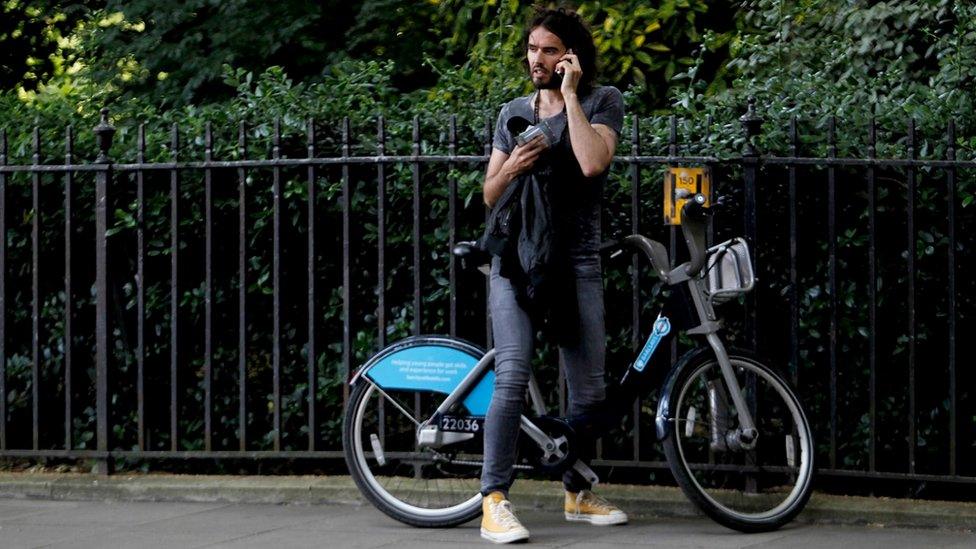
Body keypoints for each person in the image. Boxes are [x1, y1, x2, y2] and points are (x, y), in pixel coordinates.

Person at [479, 6, 626, 544]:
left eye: (547, 50)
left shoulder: (601, 101)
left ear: (570, 56)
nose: (535, 58)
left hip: (576, 261)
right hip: (515, 261)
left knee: (589, 389)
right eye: (532, 48)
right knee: (513, 370)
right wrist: (514, 165)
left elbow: (592, 163)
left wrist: (568, 97)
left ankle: (575, 491)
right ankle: (493, 499)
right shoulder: (512, 111)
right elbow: (489, 193)